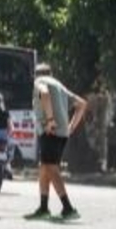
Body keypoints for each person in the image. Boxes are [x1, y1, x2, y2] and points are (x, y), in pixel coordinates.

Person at [26, 61, 88, 220]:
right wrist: (71, 127)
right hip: (61, 133)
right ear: (51, 73)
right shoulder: (59, 85)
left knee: (51, 167)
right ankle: (43, 207)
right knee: (44, 167)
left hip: (50, 131)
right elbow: (81, 104)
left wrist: (50, 120)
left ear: (36, 75)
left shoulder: (40, 82)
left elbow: (44, 93)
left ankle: (68, 208)